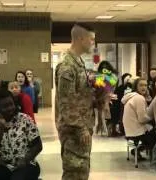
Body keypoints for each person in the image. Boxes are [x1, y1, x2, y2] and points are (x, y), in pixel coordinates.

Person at [55, 23, 96, 180]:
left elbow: (79, 95)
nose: (92, 43)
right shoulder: (67, 66)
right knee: (75, 173)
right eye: (91, 39)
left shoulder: (78, 62)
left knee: (81, 171)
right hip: (74, 132)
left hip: (82, 128)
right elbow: (66, 104)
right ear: (80, 38)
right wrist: (81, 129)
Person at [0, 89, 42, 180]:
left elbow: (38, 146)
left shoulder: (24, 119)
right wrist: (1, 126)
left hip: (27, 164)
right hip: (5, 166)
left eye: (11, 104)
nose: (10, 108)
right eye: (5, 106)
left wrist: (25, 159)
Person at [121, 78, 156, 160]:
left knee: (152, 130)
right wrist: (152, 117)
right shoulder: (139, 98)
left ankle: (138, 150)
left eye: (145, 85)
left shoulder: (131, 96)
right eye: (141, 85)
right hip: (136, 132)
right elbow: (142, 119)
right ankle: (155, 158)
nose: (144, 87)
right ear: (135, 86)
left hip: (129, 130)